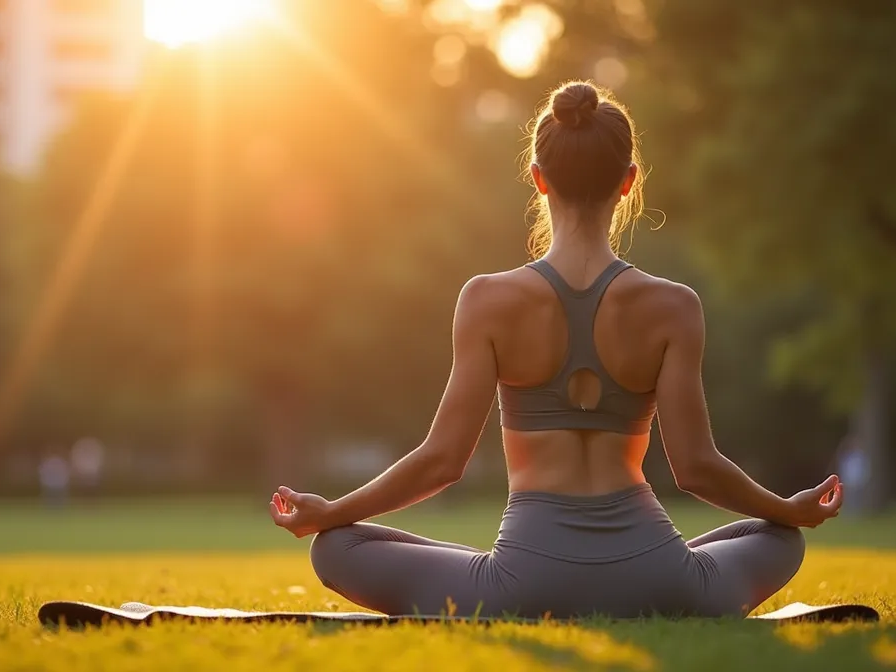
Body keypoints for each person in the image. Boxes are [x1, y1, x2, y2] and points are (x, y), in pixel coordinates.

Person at [268, 81, 843, 620]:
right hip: (661, 580)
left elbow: (442, 461)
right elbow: (696, 470)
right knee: (775, 536)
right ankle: (650, 574)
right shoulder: (674, 306)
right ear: (629, 181)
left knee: (338, 547)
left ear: (539, 178)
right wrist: (789, 509)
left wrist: (332, 512)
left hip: (519, 584)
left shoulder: (487, 299)